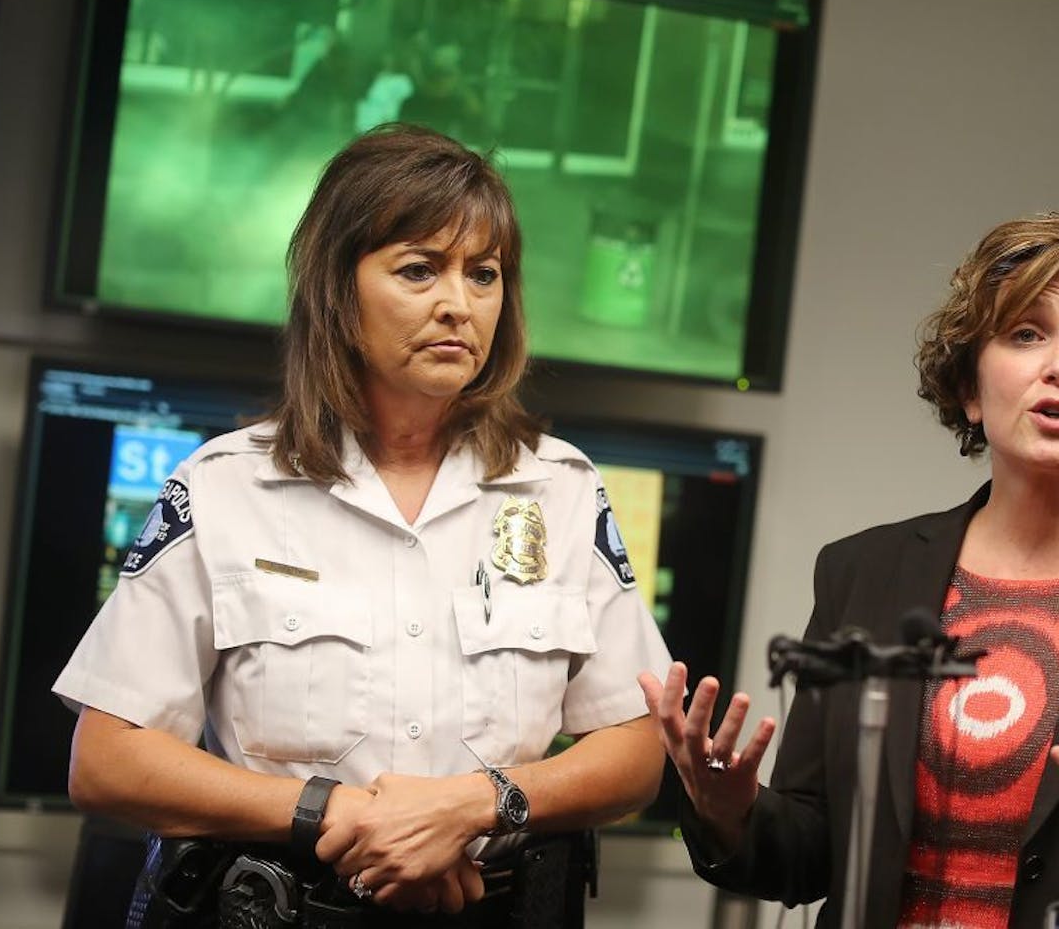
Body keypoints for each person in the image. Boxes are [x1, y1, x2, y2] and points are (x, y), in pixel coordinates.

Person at [54, 123, 672, 926]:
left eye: (483, 275)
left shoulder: (561, 488)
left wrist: (472, 805)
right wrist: (334, 812)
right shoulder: (225, 486)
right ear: (337, 292)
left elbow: (634, 753)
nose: (458, 303)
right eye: (419, 270)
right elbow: (106, 761)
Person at [641, 214, 1059, 928]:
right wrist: (727, 813)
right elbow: (809, 852)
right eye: (1025, 333)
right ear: (972, 390)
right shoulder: (861, 571)